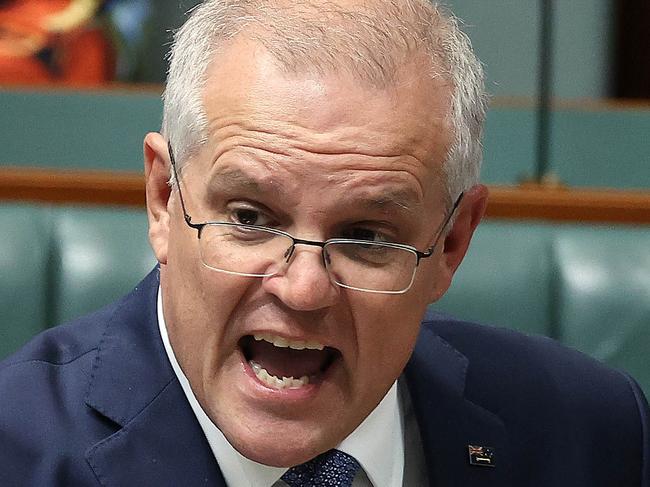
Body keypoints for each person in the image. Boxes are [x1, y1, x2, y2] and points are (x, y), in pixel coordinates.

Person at [0, 1, 648, 486]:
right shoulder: (16, 446)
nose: (304, 287)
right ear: (165, 199)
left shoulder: (595, 433)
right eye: (251, 217)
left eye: (366, 235)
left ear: (451, 243)